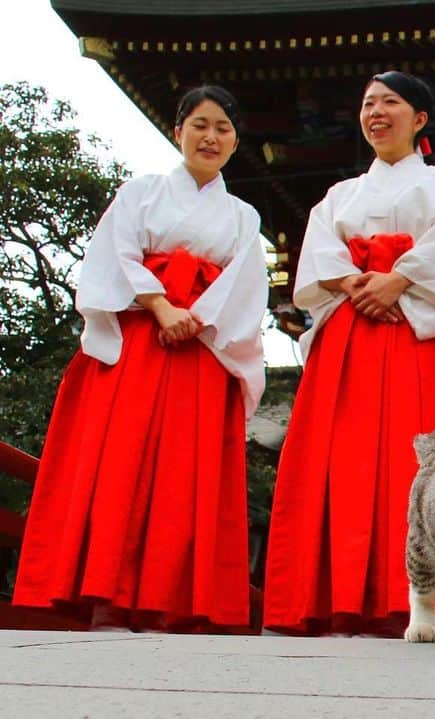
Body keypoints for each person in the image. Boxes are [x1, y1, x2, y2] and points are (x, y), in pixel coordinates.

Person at [14, 85, 268, 632]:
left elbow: (245, 286)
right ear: (178, 131)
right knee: (118, 462)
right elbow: (115, 253)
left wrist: (194, 316)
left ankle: (169, 599)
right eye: (200, 124)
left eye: (223, 128)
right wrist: (159, 305)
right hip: (137, 342)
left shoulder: (244, 216)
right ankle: (104, 591)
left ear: (235, 141)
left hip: (202, 350)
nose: (211, 136)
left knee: (183, 473)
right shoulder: (142, 192)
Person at [262, 71, 435, 636]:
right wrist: (362, 285)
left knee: (418, 465)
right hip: (351, 338)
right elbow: (319, 262)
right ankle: (336, 597)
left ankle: (410, 600)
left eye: (391, 103)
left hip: (414, 336)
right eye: (368, 104)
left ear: (420, 119)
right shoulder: (339, 196)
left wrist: (396, 280)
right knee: (341, 463)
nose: (377, 113)